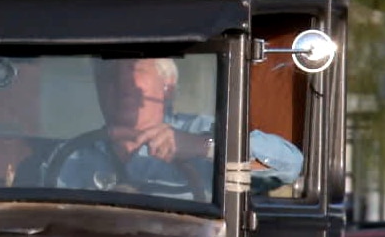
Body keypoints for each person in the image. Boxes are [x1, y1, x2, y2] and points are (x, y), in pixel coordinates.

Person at [54, 57, 303, 201]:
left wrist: (203, 147)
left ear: (168, 86)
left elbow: (287, 167)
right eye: (109, 74)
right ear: (97, 88)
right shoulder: (73, 155)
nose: (122, 83)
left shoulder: (208, 132)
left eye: (136, 70)